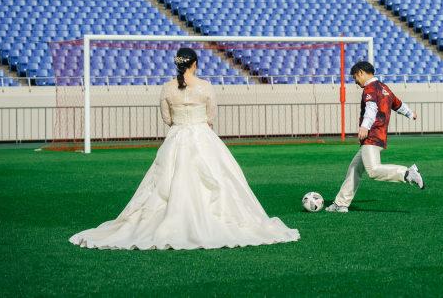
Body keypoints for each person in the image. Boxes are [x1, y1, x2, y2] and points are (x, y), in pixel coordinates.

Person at [69, 47, 299, 250]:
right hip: (203, 136)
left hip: (176, 137)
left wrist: (181, 125)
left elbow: (166, 118)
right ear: (195, 64)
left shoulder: (167, 88)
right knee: (219, 177)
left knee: (166, 180)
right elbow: (211, 116)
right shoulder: (206, 86)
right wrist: (198, 126)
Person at [326, 61, 424, 213]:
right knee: (355, 168)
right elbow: (398, 104)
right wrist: (410, 113)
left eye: (355, 77)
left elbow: (371, 108)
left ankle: (407, 173)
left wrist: (365, 126)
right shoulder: (385, 88)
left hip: (371, 137)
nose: (356, 82)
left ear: (361, 72)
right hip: (381, 138)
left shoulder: (369, 88)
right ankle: (341, 204)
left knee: (373, 171)